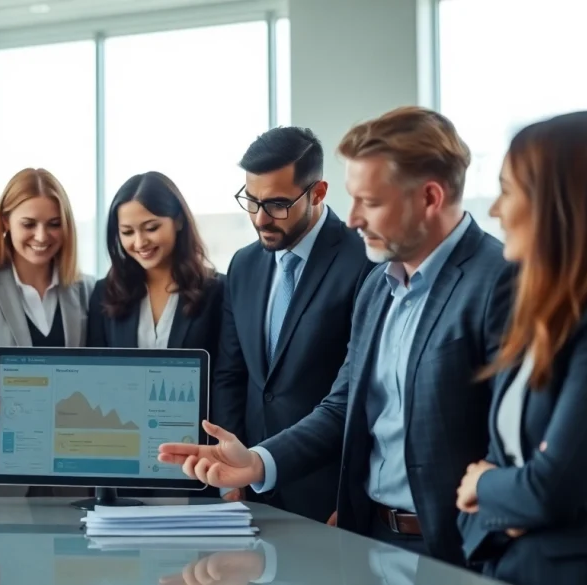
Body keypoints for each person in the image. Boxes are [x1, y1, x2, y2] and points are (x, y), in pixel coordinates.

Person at [158, 106, 515, 567]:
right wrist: (257, 462)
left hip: (456, 549)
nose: (352, 219)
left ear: (429, 197)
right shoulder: (379, 287)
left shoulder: (499, 280)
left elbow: (511, 438)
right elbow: (343, 405)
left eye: (371, 201)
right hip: (370, 539)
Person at [456, 111, 587, 585]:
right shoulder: (540, 317)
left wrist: (487, 488)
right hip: (506, 567)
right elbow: (505, 467)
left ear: (559, 203)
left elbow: (549, 489)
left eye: (508, 190)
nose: (495, 209)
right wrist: (502, 500)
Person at [212, 127, 373, 522]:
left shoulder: (365, 260)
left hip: (331, 493)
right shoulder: (244, 265)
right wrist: (233, 475)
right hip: (252, 492)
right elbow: (233, 375)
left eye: (278, 204)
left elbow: (362, 393)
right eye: (252, 201)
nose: (261, 218)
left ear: (318, 193)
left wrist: (352, 496)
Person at [0, 168, 95, 496]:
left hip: (71, 468)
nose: (42, 236)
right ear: (5, 223)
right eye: (29, 224)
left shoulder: (88, 289)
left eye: (54, 224)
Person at [87, 171, 223, 498]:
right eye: (127, 232)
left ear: (177, 221)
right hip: (123, 459)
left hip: (196, 460)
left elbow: (226, 379)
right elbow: (94, 379)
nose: (140, 242)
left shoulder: (217, 290)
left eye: (151, 228)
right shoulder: (105, 293)